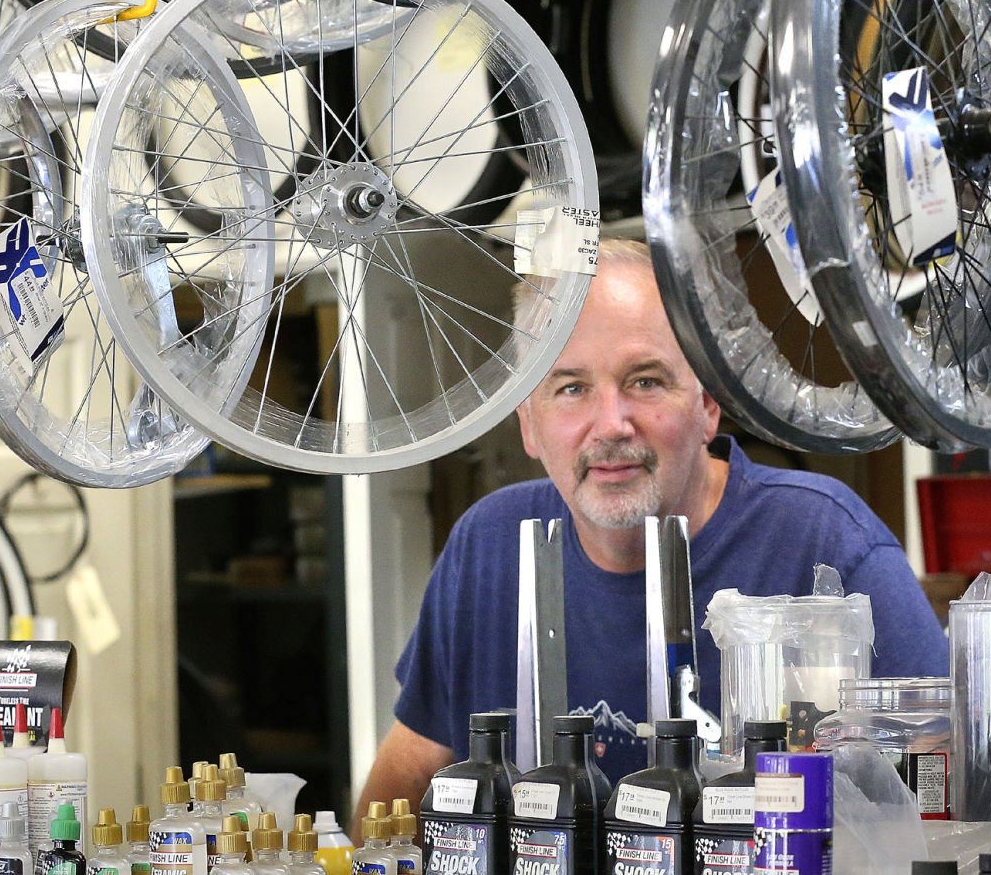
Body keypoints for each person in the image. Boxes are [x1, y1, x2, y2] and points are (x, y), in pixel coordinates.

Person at [353, 238, 946, 821]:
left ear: (708, 406)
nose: (610, 424)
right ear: (529, 426)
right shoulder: (491, 545)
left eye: (645, 381)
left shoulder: (824, 542)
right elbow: (399, 789)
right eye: (572, 388)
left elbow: (945, 768)